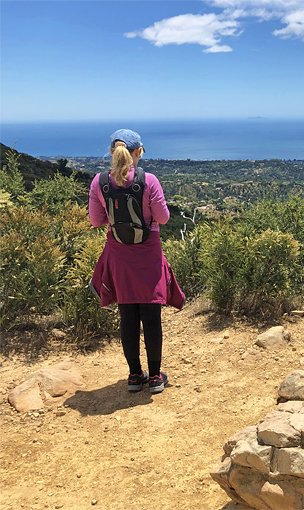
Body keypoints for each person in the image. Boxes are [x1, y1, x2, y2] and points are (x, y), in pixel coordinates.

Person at [88, 129, 185, 394]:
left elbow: (96, 221)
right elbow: (163, 218)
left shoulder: (99, 183)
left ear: (112, 152)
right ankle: (155, 377)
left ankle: (134, 376)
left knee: (127, 315)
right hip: (149, 253)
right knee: (151, 315)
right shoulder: (149, 180)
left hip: (119, 254)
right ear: (138, 152)